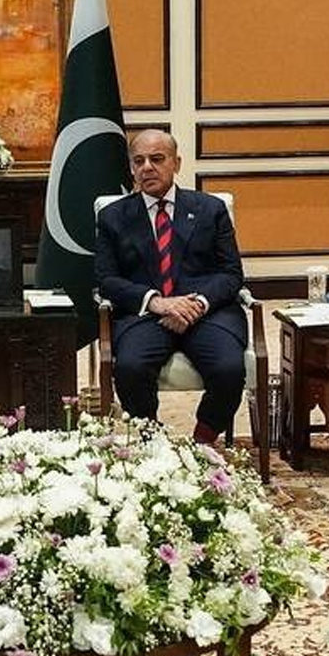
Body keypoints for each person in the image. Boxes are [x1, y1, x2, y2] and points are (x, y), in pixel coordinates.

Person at [94, 129, 247, 445]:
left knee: (230, 368)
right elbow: (106, 280)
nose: (147, 167)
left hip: (207, 313)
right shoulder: (113, 216)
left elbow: (231, 273)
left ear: (176, 163)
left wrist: (196, 304)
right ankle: (154, 442)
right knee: (130, 368)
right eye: (139, 161)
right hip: (146, 315)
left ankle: (202, 442)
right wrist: (156, 302)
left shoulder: (210, 209)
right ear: (131, 168)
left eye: (157, 159)